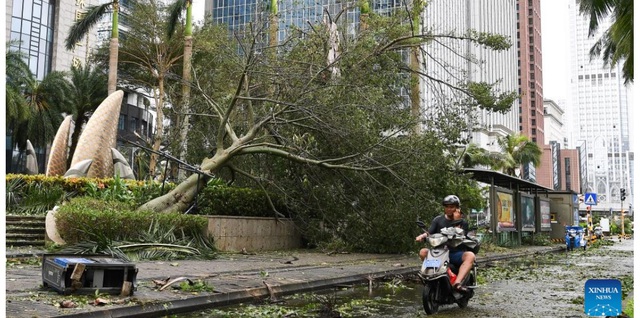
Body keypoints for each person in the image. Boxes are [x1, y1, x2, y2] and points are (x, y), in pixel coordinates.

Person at [415, 195, 476, 292]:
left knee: (470, 256)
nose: (449, 209)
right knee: (423, 252)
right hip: (440, 253)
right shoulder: (438, 220)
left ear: (457, 208)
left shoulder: (463, 222)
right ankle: (431, 275)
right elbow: (429, 233)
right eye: (447, 207)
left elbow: (459, 234)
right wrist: (422, 236)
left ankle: (457, 283)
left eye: (452, 207)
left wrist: (457, 220)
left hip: (455, 253)